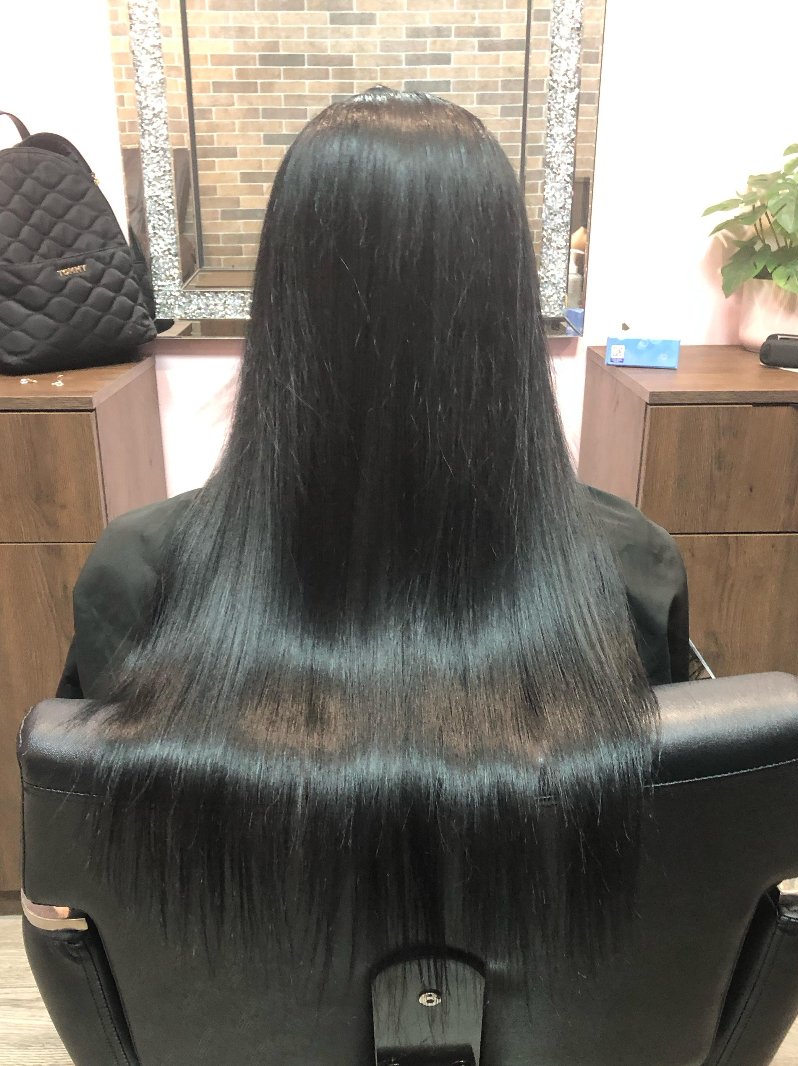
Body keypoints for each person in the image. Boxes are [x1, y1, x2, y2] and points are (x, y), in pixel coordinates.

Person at [58, 87, 688, 964]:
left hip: (239, 1014)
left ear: (284, 302)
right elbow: (667, 858)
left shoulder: (138, 574)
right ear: (507, 308)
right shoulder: (628, 570)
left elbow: (90, 878)